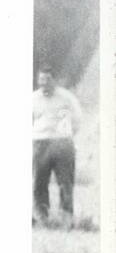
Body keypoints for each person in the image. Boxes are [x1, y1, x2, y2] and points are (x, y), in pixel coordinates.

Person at [32, 65, 82, 225]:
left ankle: (66, 219)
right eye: (41, 79)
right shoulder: (32, 99)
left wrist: (67, 135)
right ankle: (42, 218)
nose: (44, 83)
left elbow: (77, 119)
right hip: (40, 143)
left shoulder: (66, 97)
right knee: (39, 182)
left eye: (47, 79)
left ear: (55, 80)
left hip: (62, 144)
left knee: (65, 183)